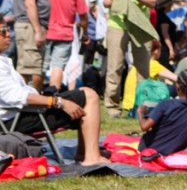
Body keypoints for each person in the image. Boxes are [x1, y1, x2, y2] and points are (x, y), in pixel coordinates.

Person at [0, 23, 108, 166]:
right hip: (17, 119)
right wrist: (58, 102)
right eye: (3, 31)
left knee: (84, 93)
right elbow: (16, 96)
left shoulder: (3, 60)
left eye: (7, 29)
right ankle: (91, 156)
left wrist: (46, 96)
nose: (8, 34)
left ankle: (85, 152)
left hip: (22, 114)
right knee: (89, 96)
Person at [102, 0, 157, 118]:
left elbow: (152, 1)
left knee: (143, 68)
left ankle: (141, 107)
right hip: (118, 24)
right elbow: (106, 1)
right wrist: (122, 2)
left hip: (139, 25)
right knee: (115, 66)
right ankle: (112, 107)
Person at [138, 69, 187, 155]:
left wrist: (140, 112)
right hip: (175, 150)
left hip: (151, 149)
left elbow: (144, 126)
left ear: (178, 86)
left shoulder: (165, 105)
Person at [42, 0, 87, 91]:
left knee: (40, 66)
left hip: (44, 31)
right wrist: (85, 32)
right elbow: (83, 15)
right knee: (58, 67)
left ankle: (36, 97)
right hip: (64, 34)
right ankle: (52, 99)